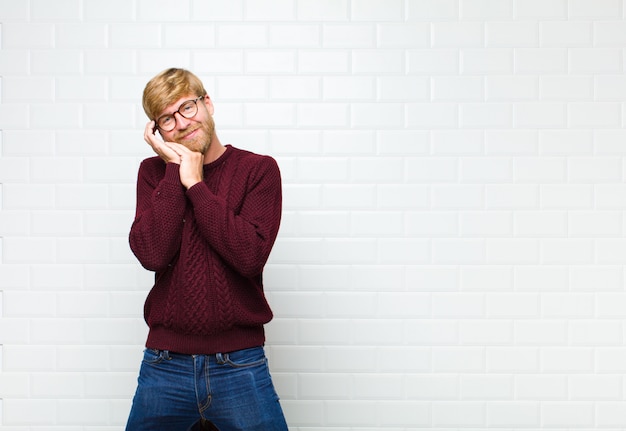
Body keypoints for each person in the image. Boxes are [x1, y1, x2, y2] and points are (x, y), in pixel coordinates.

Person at [125, 68, 288, 431]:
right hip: (165, 363)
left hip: (239, 363)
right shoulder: (152, 173)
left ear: (208, 103)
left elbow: (249, 257)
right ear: (156, 130)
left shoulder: (258, 170)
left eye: (187, 107)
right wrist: (173, 169)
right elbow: (152, 254)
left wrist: (196, 185)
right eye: (167, 118)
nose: (181, 123)